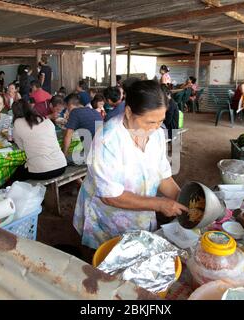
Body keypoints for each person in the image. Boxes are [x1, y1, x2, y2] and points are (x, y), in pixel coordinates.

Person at [73, 80, 188, 249]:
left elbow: (162, 175)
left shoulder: (156, 134)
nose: (156, 127)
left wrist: (182, 199)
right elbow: (110, 196)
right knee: (106, 257)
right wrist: (160, 204)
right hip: (106, 215)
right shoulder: (107, 140)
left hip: (140, 212)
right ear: (128, 112)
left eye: (160, 121)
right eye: (150, 122)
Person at [11, 99, 67, 181]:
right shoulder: (45, 119)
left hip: (42, 171)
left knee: (15, 175)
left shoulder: (17, 122)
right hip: (61, 166)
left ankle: (6, 191)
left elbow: (22, 148)